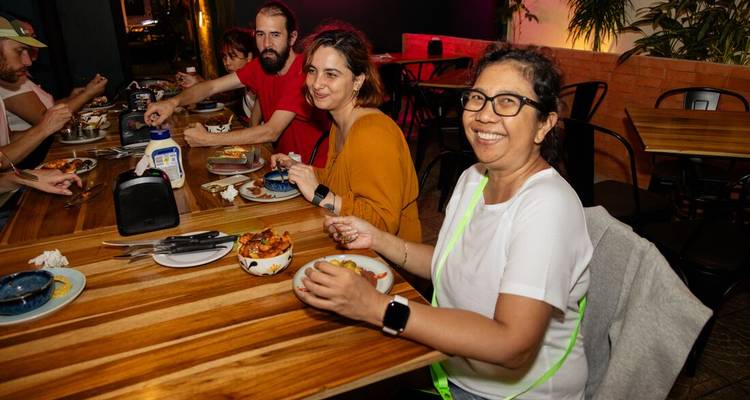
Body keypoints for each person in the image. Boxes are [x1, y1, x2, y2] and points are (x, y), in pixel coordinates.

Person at [297, 43, 593, 399]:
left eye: (508, 102)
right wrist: (376, 239)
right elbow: (450, 262)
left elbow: (512, 345)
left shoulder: (548, 207)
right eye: (478, 98)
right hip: (446, 363)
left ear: (544, 125)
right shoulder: (475, 177)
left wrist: (377, 308)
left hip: (506, 392)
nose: (484, 115)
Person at [271, 25, 420, 242]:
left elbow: (382, 224)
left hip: (386, 264)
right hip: (348, 241)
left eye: (331, 74)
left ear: (358, 80)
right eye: (312, 71)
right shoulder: (338, 123)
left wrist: (320, 194)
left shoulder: (372, 133)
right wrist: (299, 170)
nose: (317, 83)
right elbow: (343, 182)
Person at [145, 1, 329, 167]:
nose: (266, 43)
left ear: (292, 37)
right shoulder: (262, 65)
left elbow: (271, 131)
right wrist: (172, 103)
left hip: (314, 173)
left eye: (275, 35)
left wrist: (207, 139)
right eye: (260, 34)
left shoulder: (304, 71)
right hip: (283, 166)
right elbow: (211, 87)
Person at [0, 14, 107, 132]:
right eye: (19, 50)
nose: (28, 62)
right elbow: (43, 120)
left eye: (33, 37)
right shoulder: (10, 79)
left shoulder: (14, 75)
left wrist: (69, 99)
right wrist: (87, 95)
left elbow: (9, 143)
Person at [176, 28, 261, 125]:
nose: (227, 63)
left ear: (249, 56)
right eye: (224, 57)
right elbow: (226, 97)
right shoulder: (242, 85)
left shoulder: (259, 78)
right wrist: (198, 82)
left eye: (232, 56)